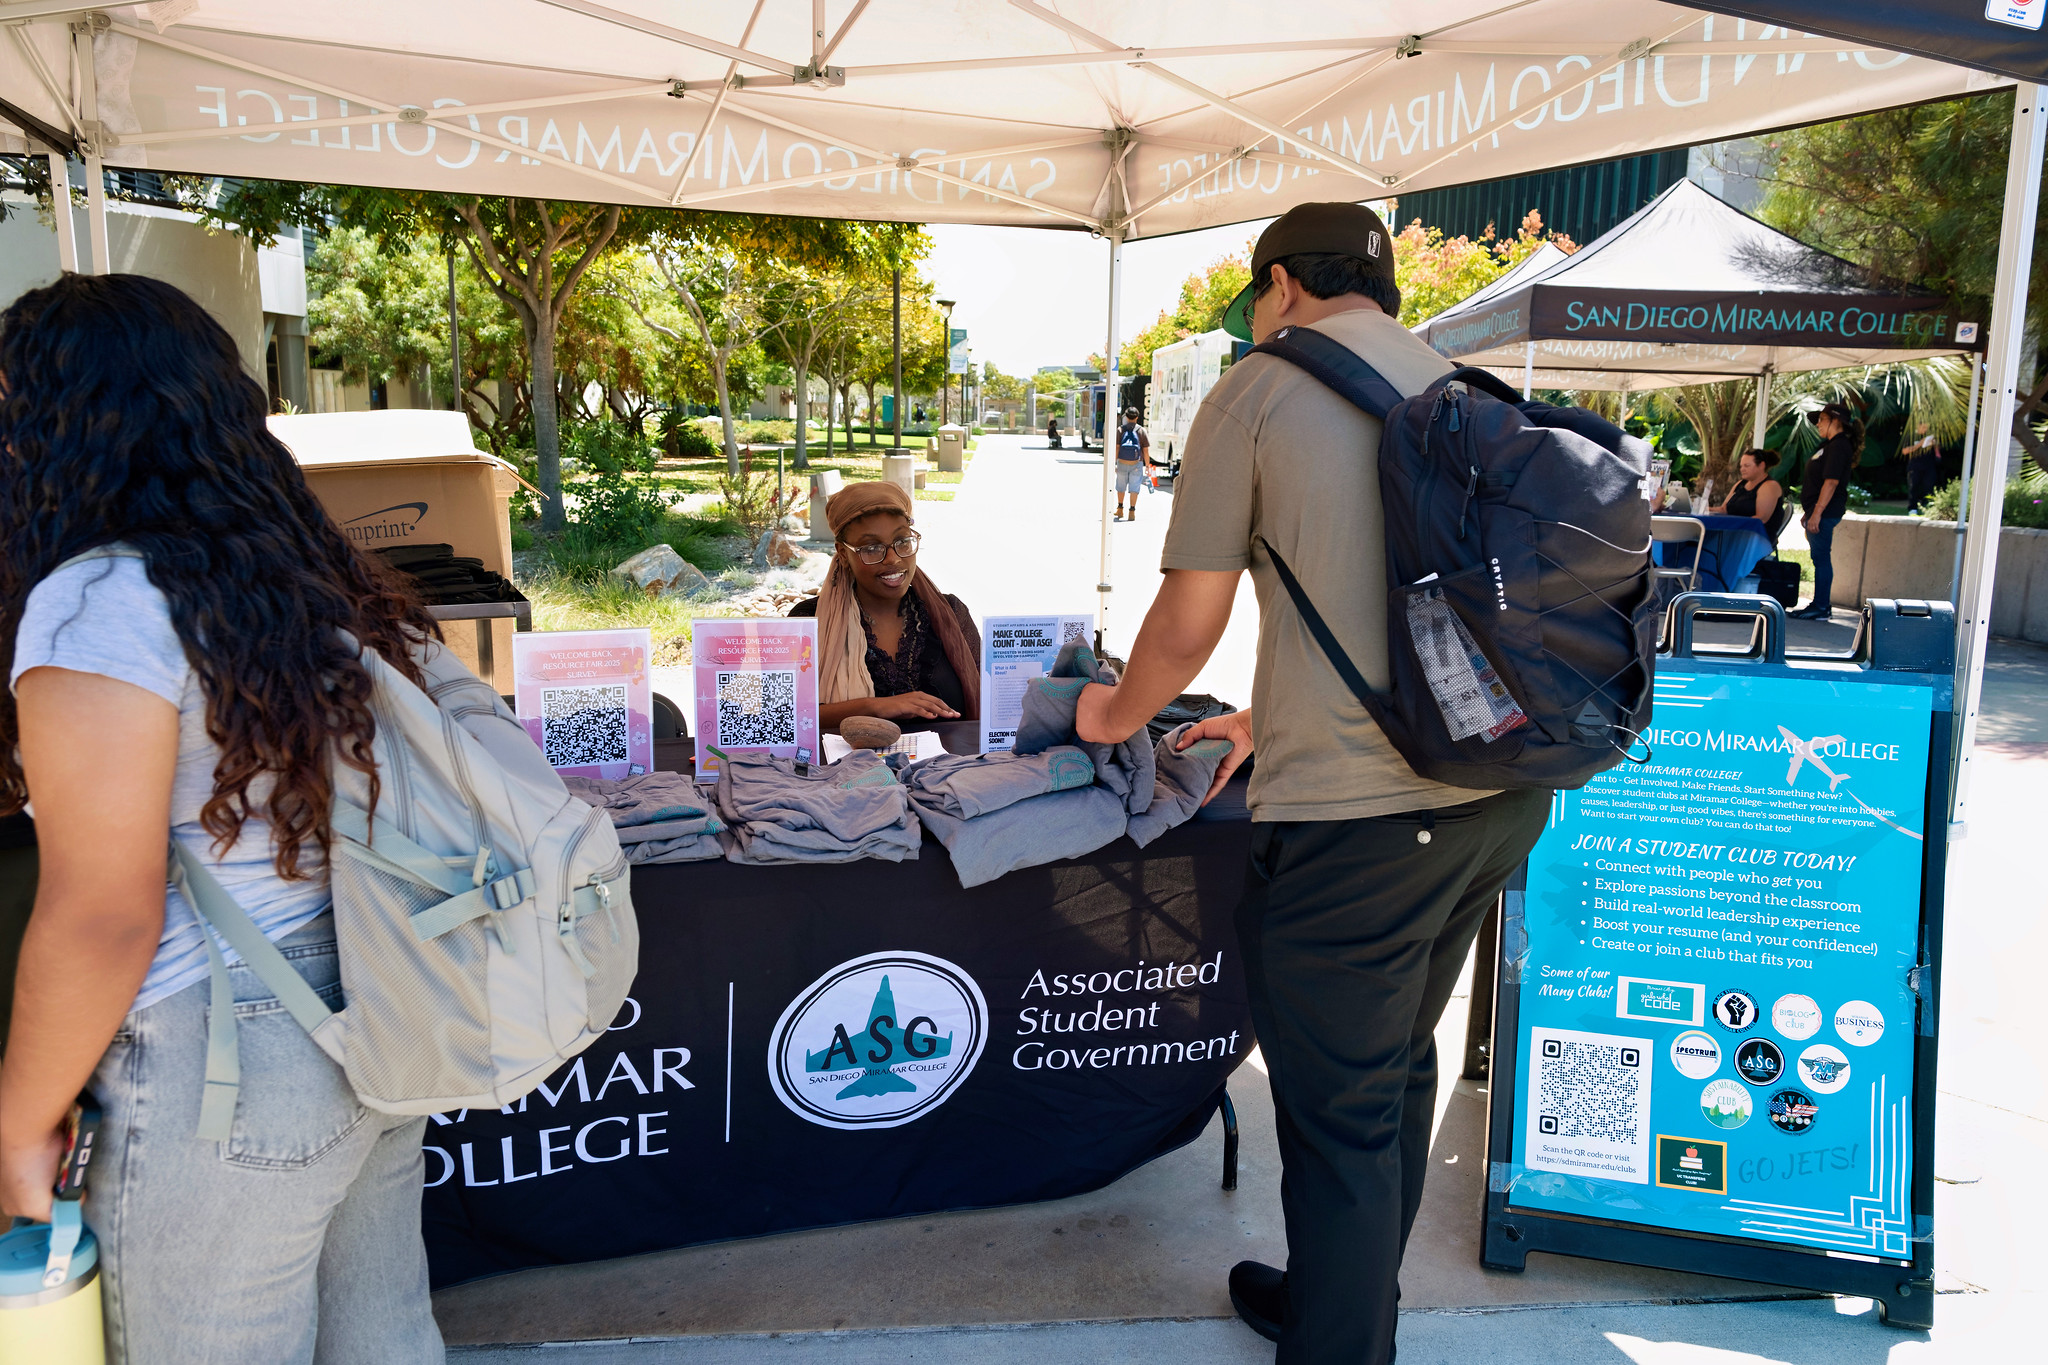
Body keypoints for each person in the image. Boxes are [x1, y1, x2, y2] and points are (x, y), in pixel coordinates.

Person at [1073, 202, 1551, 1365]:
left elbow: (1187, 621)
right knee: (1389, 1064)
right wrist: (1266, 711)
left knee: (1336, 1109)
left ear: (1278, 284)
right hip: (1493, 792)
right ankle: (1341, 1301)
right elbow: (1394, 606)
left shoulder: (1259, 389)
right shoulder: (1456, 383)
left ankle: (1340, 1344)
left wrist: (1106, 714)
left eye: (1254, 295)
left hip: (1360, 824)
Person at [0, 273, 445, 1360]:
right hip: (381, 1000)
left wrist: (17, 1119)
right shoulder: (305, 575)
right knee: (380, 1338)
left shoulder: (101, 604)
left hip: (230, 1055)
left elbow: (102, 915)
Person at [788, 481, 981, 730]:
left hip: (951, 767)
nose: (892, 559)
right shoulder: (808, 621)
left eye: (902, 541)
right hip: (847, 769)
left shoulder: (951, 614)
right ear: (843, 554)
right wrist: (875, 707)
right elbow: (787, 716)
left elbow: (991, 700)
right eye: (871, 548)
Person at [1792, 402, 1860, 620]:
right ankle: (1820, 604)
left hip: (1826, 512)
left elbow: (1831, 482)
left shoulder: (1839, 446)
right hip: (1818, 510)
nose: (1818, 424)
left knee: (1821, 558)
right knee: (1818, 557)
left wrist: (1818, 512)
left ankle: (1821, 605)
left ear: (1835, 421)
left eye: (1821, 419)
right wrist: (1811, 510)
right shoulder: (1830, 445)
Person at [1712, 448, 1788, 543]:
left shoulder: (1769, 486)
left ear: (1761, 465)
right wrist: (1702, 509)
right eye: (1741, 466)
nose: (1742, 469)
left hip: (1755, 538)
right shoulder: (1740, 484)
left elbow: (1761, 519)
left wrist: (1732, 525)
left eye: (1747, 466)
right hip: (1733, 532)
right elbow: (1724, 509)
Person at [1113, 407, 1153, 522]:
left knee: (1120, 486)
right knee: (1134, 488)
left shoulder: (1120, 430)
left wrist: (1115, 463)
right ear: (1137, 417)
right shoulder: (1141, 431)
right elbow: (1145, 450)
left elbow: (1117, 447)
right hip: (1137, 463)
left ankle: (1120, 509)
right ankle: (1132, 511)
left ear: (1126, 416)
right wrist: (1147, 466)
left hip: (1122, 462)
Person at [1903, 422, 1942, 514]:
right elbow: (1904, 451)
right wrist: (1919, 445)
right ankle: (1912, 509)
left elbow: (1938, 453)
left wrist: (1935, 445)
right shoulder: (1911, 436)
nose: (1925, 429)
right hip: (1914, 466)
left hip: (1929, 466)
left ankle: (1927, 509)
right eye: (1923, 427)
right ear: (1918, 426)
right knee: (1913, 488)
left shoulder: (1930, 437)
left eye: (1926, 427)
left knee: (1929, 487)